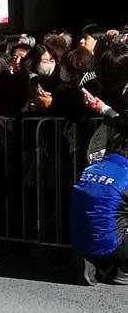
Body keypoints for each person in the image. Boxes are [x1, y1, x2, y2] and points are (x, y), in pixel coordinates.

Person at [69, 114, 128, 285]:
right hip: (110, 244)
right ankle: (120, 269)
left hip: (80, 242)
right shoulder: (125, 173)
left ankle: (95, 263)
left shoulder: (91, 169)